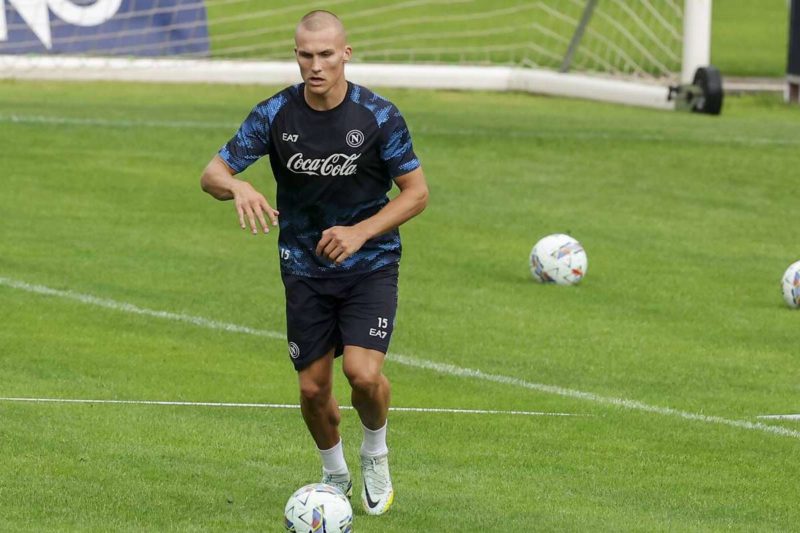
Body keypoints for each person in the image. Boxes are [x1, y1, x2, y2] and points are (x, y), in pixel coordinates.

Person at [199, 10, 428, 516]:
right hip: (302, 269)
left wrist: (360, 232)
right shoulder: (276, 114)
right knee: (312, 387)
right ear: (296, 55)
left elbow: (416, 194)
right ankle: (334, 474)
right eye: (306, 55)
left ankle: (375, 454)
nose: (316, 65)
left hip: (371, 263)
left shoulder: (377, 116)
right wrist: (237, 184)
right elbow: (212, 172)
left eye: (326, 55)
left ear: (346, 54)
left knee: (363, 375)